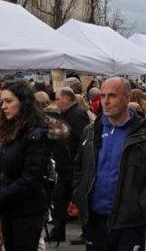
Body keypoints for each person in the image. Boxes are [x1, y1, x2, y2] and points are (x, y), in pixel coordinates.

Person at [74, 77, 146, 251]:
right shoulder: (91, 131)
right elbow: (79, 167)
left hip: (129, 223)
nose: (105, 101)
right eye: (102, 95)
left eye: (112, 96)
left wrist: (140, 205)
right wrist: (79, 194)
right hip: (95, 220)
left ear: (127, 98)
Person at [0, 81, 54, 251]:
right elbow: (2, 168)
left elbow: (30, 179)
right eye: (2, 102)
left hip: (27, 210)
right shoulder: (12, 129)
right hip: (9, 206)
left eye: (9, 101)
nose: (4, 107)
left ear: (23, 102)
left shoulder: (38, 133)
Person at [49, 87, 90, 242]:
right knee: (60, 198)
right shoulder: (66, 114)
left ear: (66, 98)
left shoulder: (77, 114)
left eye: (58, 99)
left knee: (78, 199)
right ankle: (58, 232)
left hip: (72, 165)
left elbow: (82, 139)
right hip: (64, 164)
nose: (56, 102)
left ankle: (87, 232)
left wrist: (76, 159)